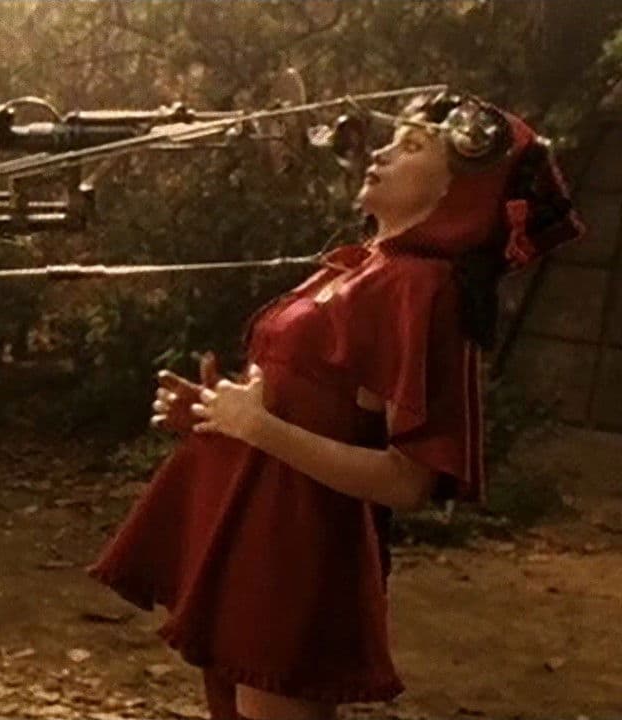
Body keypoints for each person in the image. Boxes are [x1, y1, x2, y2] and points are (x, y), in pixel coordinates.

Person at [86, 92, 585, 720]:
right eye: (393, 138)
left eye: (411, 146)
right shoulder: (363, 268)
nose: (381, 152)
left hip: (300, 548)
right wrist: (217, 416)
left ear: (460, 195)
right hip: (249, 522)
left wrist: (258, 428)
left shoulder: (421, 289)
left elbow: (407, 481)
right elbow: (312, 399)